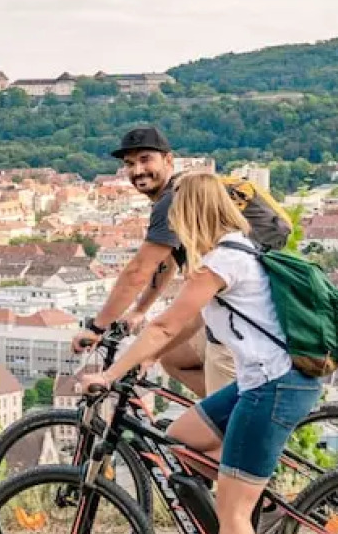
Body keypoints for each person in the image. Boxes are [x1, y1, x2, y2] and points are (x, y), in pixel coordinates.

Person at [78, 172, 323, 534]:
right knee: (182, 441)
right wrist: (142, 358)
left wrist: (109, 377)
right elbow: (178, 325)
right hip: (260, 381)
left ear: (191, 214)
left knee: (233, 510)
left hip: (274, 387)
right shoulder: (227, 253)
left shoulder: (223, 260)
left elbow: (166, 322)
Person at [72, 125, 286, 396]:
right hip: (236, 318)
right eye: (129, 164)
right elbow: (167, 263)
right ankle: (222, 416)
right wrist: (140, 310)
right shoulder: (181, 194)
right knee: (173, 359)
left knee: (215, 431)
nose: (137, 170)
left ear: (168, 160)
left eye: (145, 159)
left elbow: (138, 271)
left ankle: (223, 427)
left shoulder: (172, 201)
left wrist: (96, 327)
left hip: (237, 336)